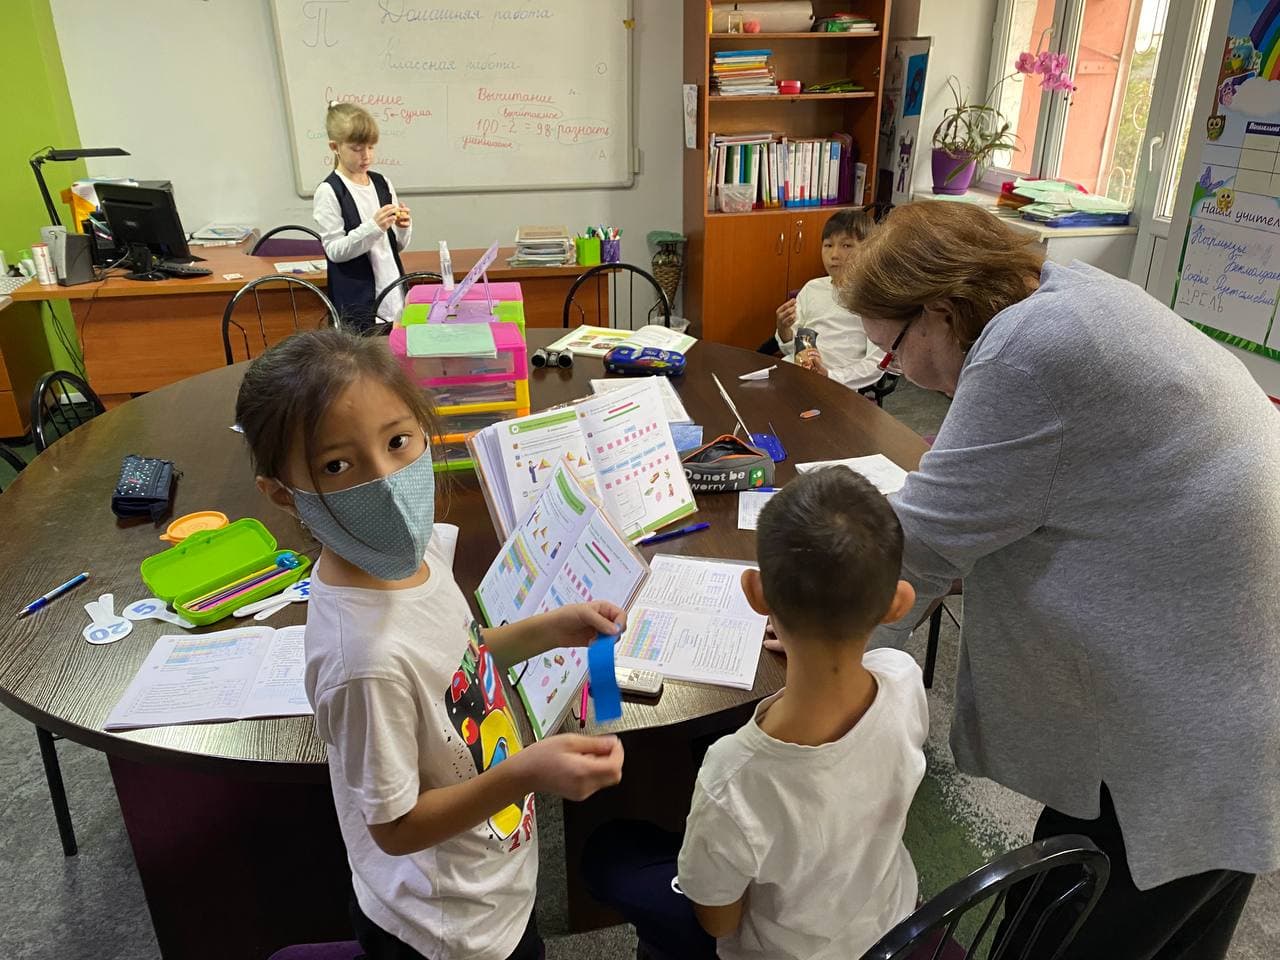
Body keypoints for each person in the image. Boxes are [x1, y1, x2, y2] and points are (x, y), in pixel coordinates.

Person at [841, 200, 1280, 958]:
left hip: (1187, 724)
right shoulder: (1066, 293)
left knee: (1069, 928)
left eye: (893, 350)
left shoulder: (1026, 353)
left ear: (940, 311)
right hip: (1235, 690)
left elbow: (920, 547)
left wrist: (821, 639)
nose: (897, 371)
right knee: (1173, 924)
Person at [235, 329, 626, 960]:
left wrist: (548, 629)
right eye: (337, 465)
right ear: (283, 493)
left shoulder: (413, 556)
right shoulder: (363, 663)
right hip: (443, 928)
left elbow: (454, 659)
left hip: (487, 878)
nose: (387, 480)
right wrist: (527, 771)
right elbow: (394, 827)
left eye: (397, 441)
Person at [583, 468, 927, 960]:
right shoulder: (903, 677)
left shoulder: (732, 776)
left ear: (755, 593)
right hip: (891, 922)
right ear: (898, 604)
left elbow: (719, 921)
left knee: (607, 852)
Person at [313, 102, 413, 331]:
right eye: (357, 149)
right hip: (358, 304)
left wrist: (403, 228)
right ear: (335, 147)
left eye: (371, 147)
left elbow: (395, 247)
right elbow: (335, 251)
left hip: (393, 294)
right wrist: (374, 227)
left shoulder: (382, 183)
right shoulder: (329, 191)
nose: (366, 156)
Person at [774, 208, 888, 391]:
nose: (834, 255)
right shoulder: (812, 288)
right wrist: (784, 330)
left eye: (846, 245)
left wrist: (830, 376)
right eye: (828, 245)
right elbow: (792, 349)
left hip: (838, 386)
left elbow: (877, 364)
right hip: (797, 375)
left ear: (868, 250)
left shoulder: (875, 299)